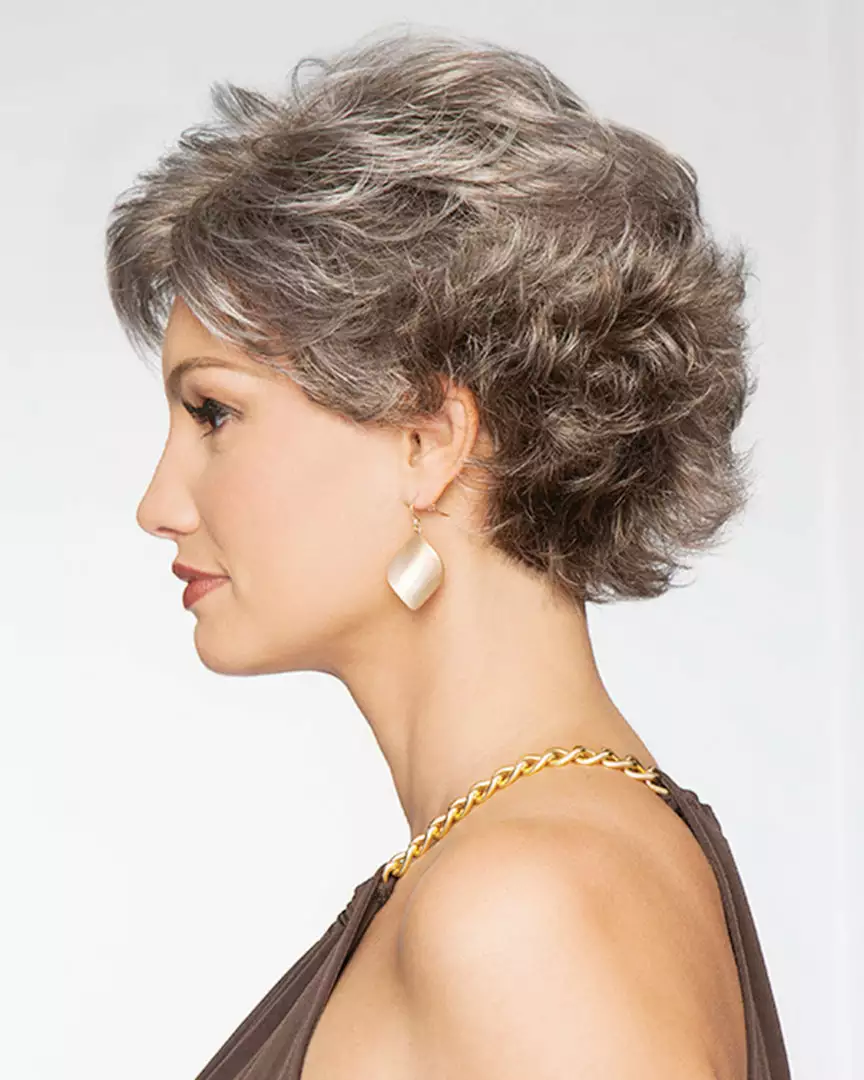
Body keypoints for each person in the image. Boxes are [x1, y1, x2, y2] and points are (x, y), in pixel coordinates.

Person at [104, 28, 791, 1080]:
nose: (158, 506)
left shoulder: (523, 906)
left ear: (428, 443)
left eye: (214, 414)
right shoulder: (525, 862)